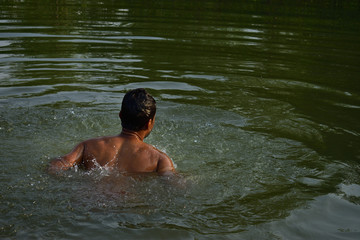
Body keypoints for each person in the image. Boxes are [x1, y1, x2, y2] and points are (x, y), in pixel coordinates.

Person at [48, 88, 175, 175]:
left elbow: (57, 165)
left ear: (120, 115)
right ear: (149, 123)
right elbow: (175, 185)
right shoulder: (159, 159)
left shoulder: (88, 146)